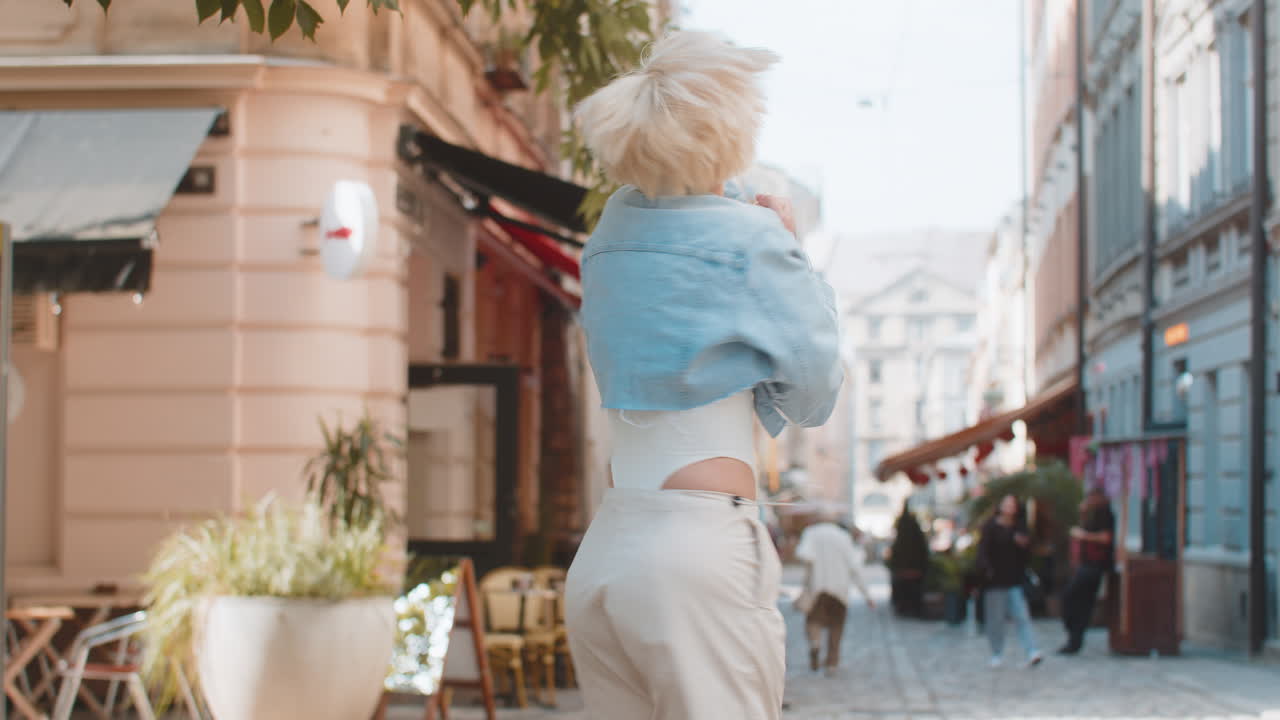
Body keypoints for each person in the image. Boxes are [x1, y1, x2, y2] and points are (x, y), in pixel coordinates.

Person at [562, 30, 843, 720]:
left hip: (606, 551)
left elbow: (683, 220)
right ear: (730, 131)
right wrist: (793, 254)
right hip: (698, 551)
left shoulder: (607, 240)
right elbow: (815, 395)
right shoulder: (753, 241)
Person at [794, 517, 875, 673]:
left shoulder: (811, 533)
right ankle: (832, 662)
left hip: (817, 587)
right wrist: (867, 595)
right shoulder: (844, 537)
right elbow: (855, 568)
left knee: (813, 620)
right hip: (840, 588)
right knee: (836, 626)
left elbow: (804, 554)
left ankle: (815, 644)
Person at [976, 494, 1043, 668]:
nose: (1009, 508)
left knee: (1022, 616)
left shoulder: (1020, 527)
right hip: (995, 581)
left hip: (1015, 579)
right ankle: (996, 653)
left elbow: (1029, 552)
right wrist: (987, 571)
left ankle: (1032, 651)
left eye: (1012, 505)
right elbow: (982, 552)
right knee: (996, 619)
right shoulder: (991, 526)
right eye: (1006, 504)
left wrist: (1024, 545)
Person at [1058, 487, 1115, 654]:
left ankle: (1074, 637)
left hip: (1095, 565)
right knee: (1082, 602)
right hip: (1087, 564)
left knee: (1074, 598)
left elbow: (1105, 538)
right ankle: (1074, 640)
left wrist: (1082, 535)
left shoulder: (1105, 514)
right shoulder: (1092, 513)